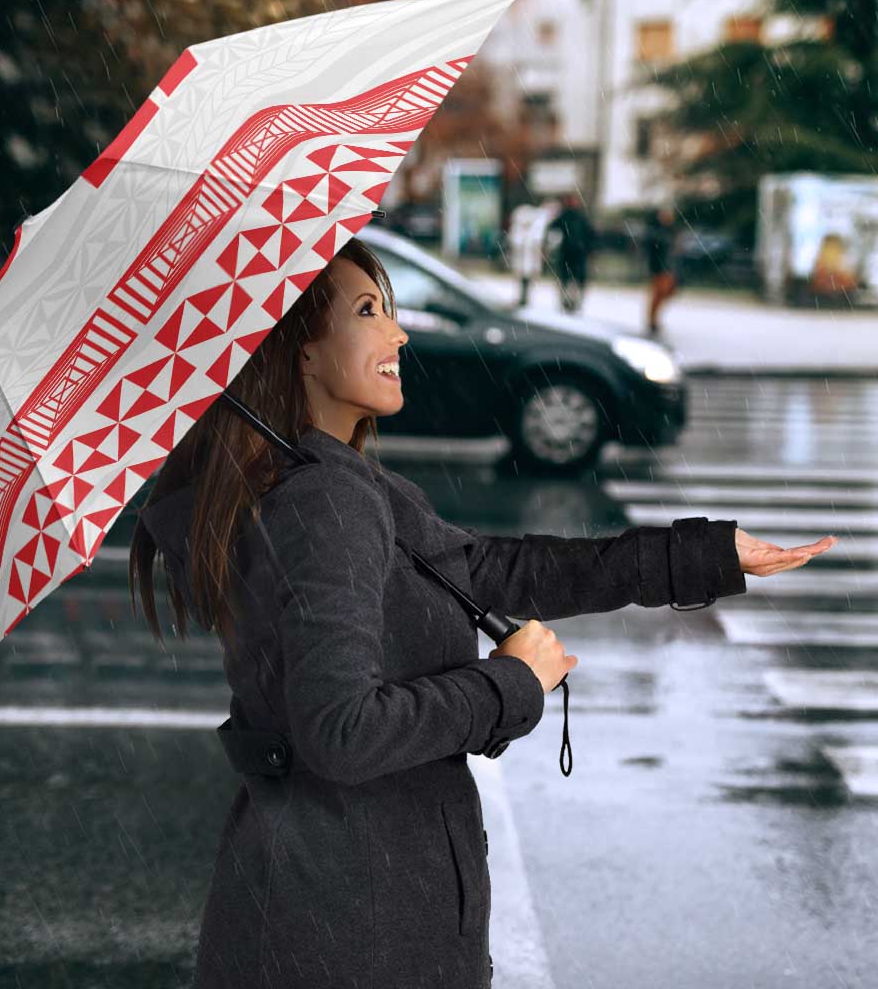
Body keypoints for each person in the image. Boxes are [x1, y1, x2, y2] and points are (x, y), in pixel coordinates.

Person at [130, 236, 833, 989]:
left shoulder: (330, 483)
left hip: (333, 905)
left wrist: (704, 556)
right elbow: (341, 732)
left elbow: (495, 570)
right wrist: (509, 684)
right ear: (301, 351)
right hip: (353, 926)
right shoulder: (324, 501)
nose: (398, 333)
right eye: (368, 311)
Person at [546, 191, 596, 314]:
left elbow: (590, 235)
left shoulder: (579, 217)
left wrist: (589, 249)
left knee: (574, 280)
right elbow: (552, 229)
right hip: (569, 253)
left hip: (577, 253)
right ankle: (567, 302)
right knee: (567, 279)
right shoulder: (566, 216)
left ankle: (573, 302)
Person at [644, 204, 680, 336]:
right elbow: (653, 251)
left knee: (666, 293)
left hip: (668, 268)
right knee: (658, 294)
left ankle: (654, 319)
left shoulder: (671, 231)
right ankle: (652, 320)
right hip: (659, 268)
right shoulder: (656, 232)